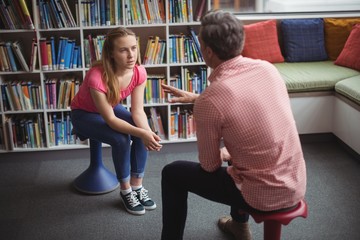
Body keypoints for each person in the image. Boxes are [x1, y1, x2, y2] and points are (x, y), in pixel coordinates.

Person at [160, 10, 306, 240]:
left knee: (172, 172)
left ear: (208, 51)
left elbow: (209, 166)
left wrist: (222, 149)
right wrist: (199, 99)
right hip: (295, 183)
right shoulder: (267, 69)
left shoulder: (212, 100)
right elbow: (249, 110)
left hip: (261, 195)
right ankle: (239, 226)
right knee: (237, 152)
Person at [70, 27, 162, 216]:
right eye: (123, 50)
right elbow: (111, 120)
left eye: (134, 48)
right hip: (83, 114)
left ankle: (137, 187)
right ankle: (126, 191)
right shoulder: (97, 76)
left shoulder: (139, 72)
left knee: (140, 129)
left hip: (108, 107)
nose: (131, 55)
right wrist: (142, 133)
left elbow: (137, 110)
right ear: (111, 53)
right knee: (121, 138)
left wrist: (147, 133)